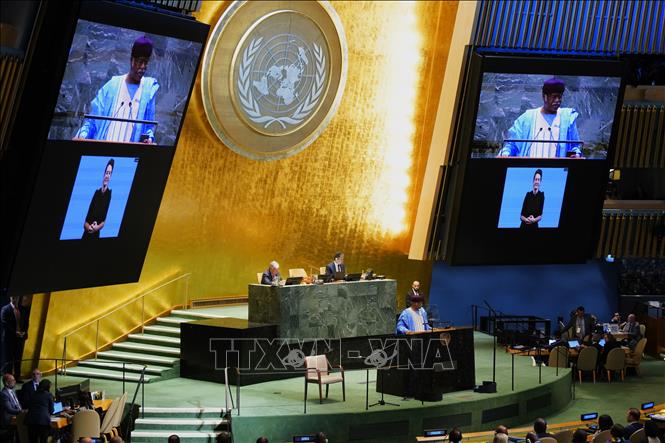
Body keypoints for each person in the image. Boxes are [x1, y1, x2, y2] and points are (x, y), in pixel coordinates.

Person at [75, 36, 158, 144]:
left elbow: (148, 127)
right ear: (132, 60)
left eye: (146, 63)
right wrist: (82, 136)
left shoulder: (148, 89)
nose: (143, 67)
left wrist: (149, 139)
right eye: (140, 62)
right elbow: (92, 122)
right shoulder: (112, 85)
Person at [499, 77, 582, 158]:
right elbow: (512, 144)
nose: (557, 101)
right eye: (554, 97)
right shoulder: (527, 118)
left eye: (559, 97)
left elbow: (575, 146)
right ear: (544, 96)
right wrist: (505, 154)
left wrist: (576, 154)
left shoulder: (567, 118)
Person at [82, 159, 114, 239]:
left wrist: (96, 228)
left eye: (109, 173)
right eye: (106, 172)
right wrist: (89, 227)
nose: (107, 175)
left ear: (111, 176)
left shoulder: (109, 194)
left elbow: (103, 222)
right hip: (86, 234)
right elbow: (85, 222)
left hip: (96, 235)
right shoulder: (96, 193)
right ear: (104, 174)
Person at [1, 295, 27, 376]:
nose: (15, 298)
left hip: (20, 338)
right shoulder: (5, 309)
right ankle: (9, 379)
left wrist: (24, 332)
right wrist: (15, 332)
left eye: (16, 297)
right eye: (13, 297)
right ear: (10, 297)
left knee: (18, 359)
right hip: (9, 338)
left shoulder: (23, 309)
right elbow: (4, 323)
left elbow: (26, 321)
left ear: (19, 297)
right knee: (9, 360)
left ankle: (17, 377)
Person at [25, 379, 54, 443]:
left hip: (31, 421)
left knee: (32, 440)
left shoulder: (33, 394)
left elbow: (29, 406)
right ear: (48, 387)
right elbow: (51, 410)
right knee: (43, 440)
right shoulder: (49, 395)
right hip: (43, 422)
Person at [0, 373, 22, 441]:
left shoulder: (13, 391)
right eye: (13, 380)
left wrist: (21, 410)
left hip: (16, 418)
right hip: (8, 421)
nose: (15, 381)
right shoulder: (3, 394)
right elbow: (9, 409)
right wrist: (21, 411)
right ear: (6, 383)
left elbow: (17, 403)